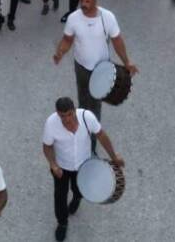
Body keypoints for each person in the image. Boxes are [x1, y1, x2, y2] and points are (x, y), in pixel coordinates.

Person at [42, 96, 125, 241]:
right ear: (57, 113)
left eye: (69, 114)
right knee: (60, 197)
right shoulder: (51, 123)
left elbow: (101, 135)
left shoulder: (87, 117)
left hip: (83, 165)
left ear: (74, 110)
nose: (66, 119)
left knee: (79, 190)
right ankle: (62, 223)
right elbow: (47, 146)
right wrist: (53, 165)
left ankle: (76, 198)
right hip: (61, 167)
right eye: (62, 116)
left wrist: (114, 156)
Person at [51, 0, 138, 120]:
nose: (83, 4)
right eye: (81, 1)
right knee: (82, 96)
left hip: (101, 68)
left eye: (87, 1)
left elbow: (117, 41)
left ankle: (93, 126)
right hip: (81, 66)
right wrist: (60, 52)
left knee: (95, 102)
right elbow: (67, 40)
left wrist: (127, 62)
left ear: (95, 1)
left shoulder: (107, 17)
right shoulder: (73, 18)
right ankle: (83, 120)